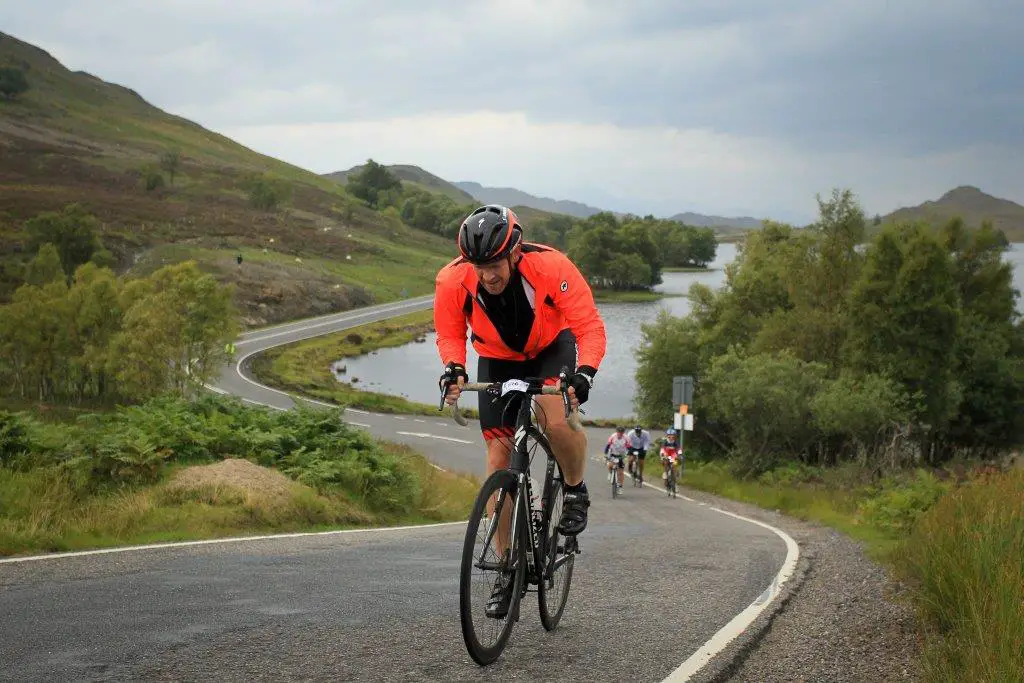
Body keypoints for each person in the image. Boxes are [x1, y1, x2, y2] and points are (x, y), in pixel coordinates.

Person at [435, 204, 607, 618]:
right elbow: (449, 332)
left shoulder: (551, 267)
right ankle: (507, 569)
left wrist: (584, 373)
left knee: (554, 417)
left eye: (494, 263)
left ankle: (575, 488)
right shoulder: (452, 280)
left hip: (551, 348)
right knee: (498, 457)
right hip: (497, 358)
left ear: (513, 253)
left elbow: (589, 326)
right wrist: (454, 367)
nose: (487, 274)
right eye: (479, 265)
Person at [605, 426, 629, 492]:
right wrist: (606, 454)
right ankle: (610, 473)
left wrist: (627, 455)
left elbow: (629, 447)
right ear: (617, 432)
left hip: (621, 455)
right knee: (610, 465)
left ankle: (620, 487)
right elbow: (608, 445)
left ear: (623, 433)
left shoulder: (626, 438)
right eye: (618, 432)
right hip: (613, 454)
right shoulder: (613, 436)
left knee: (621, 472)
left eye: (621, 432)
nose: (620, 434)